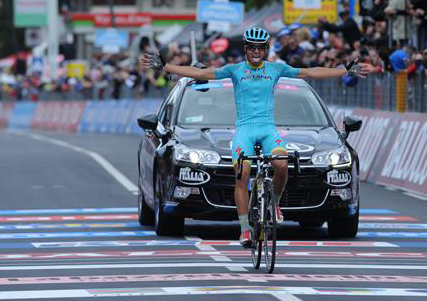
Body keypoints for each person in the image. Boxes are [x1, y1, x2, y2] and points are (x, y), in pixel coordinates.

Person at [140, 27, 371, 248]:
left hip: (269, 130)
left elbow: (311, 72)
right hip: (244, 131)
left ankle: (275, 205)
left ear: (266, 49)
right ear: (246, 49)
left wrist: (344, 69)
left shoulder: (276, 69)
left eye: (261, 48)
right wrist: (165, 66)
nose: (256, 52)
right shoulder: (235, 70)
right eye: (252, 48)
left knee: (281, 165)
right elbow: (200, 73)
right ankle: (245, 229)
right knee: (243, 174)